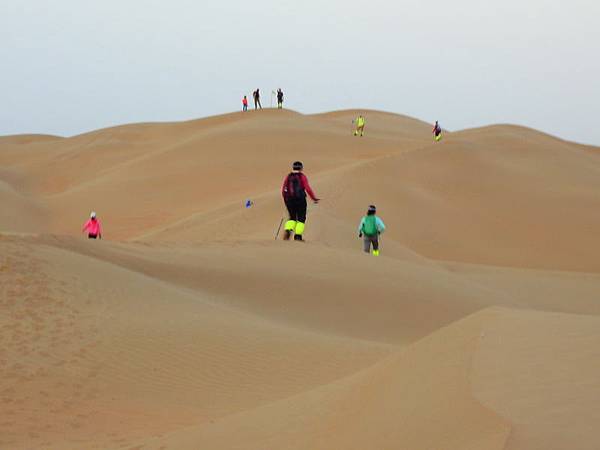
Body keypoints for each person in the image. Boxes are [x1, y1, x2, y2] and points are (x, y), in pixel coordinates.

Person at [281, 161, 320, 241]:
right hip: (300, 200)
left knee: (292, 217)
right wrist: (313, 198)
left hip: (289, 200)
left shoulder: (288, 177)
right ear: (301, 168)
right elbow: (307, 188)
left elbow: (283, 190)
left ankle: (288, 230)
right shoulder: (302, 176)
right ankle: (298, 236)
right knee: (301, 218)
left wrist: (286, 200)